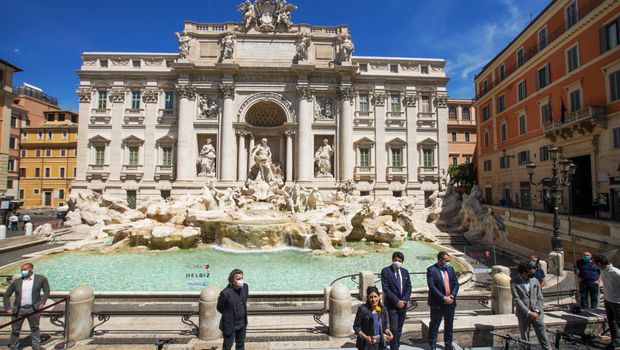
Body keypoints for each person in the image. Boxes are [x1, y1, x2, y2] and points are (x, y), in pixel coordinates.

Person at [3, 262, 50, 350]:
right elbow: (6, 295)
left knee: (35, 329)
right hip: (18, 310)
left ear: (31, 269)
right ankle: (14, 347)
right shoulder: (17, 281)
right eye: (22, 270)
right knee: (15, 330)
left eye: (24, 270)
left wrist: (42, 303)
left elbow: (47, 290)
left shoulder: (40, 279)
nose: (22, 272)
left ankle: (36, 347)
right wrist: (8, 308)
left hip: (33, 309)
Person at [511, 261, 552, 350]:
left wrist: (537, 311)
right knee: (525, 338)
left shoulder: (535, 280)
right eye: (530, 272)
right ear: (523, 272)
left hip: (537, 314)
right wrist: (529, 312)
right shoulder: (514, 282)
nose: (533, 273)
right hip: (523, 314)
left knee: (543, 337)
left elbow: (540, 297)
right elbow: (517, 300)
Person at [427, 251, 459, 350]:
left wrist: (452, 296)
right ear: (440, 260)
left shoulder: (450, 268)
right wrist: (444, 298)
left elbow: (456, 284)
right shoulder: (431, 270)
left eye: (449, 261)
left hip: (451, 302)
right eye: (446, 261)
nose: (448, 263)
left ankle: (448, 344)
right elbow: (432, 287)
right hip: (438, 303)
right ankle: (432, 344)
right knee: (434, 324)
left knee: (449, 324)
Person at [380, 251, 411, 350]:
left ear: (402, 262)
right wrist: (397, 301)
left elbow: (409, 287)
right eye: (396, 260)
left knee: (399, 328)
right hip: (392, 305)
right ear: (392, 260)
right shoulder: (386, 271)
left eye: (400, 260)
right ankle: (394, 348)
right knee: (393, 328)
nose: (397, 262)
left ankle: (396, 345)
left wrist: (404, 300)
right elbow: (386, 289)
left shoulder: (405, 272)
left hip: (403, 305)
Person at [217, 269, 248, 350]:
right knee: (227, 346)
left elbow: (245, 300)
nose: (241, 280)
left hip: (242, 322)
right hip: (230, 323)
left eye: (242, 278)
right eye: (238, 279)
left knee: (241, 344)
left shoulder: (245, 287)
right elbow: (220, 308)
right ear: (232, 280)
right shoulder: (225, 293)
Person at [593, 254, 620, 349]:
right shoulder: (603, 270)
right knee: (612, 322)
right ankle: (616, 341)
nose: (595, 266)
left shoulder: (616, 272)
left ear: (599, 263)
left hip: (617, 302)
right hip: (607, 300)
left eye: (595, 264)